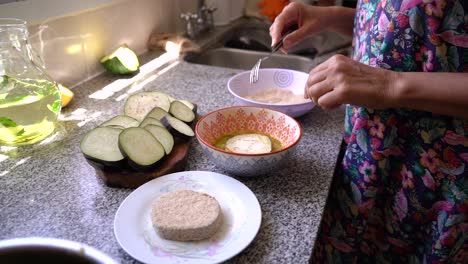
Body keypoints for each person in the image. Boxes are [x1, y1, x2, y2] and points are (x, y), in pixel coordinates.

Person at [270, 1, 467, 263]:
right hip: (368, 167)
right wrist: (333, 17)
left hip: (438, 185)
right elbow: (409, 28)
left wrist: (389, 85)